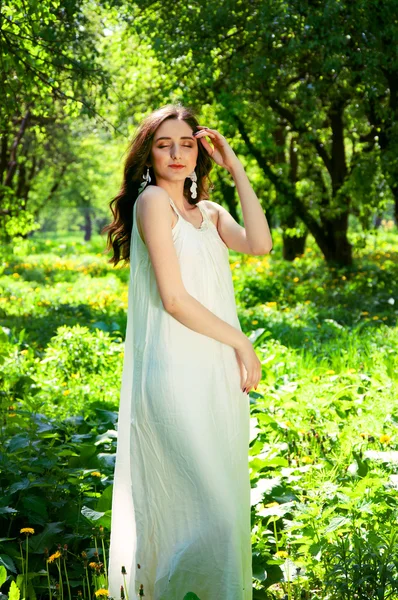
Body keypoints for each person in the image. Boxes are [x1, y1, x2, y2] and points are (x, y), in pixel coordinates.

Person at [103, 103, 272, 600]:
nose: (177, 154)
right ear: (147, 155)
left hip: (214, 373)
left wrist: (235, 167)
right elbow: (174, 300)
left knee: (214, 509)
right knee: (202, 513)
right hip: (174, 372)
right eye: (163, 144)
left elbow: (259, 244)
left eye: (187, 143)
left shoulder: (211, 214)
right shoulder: (154, 202)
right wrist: (243, 341)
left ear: (201, 151)